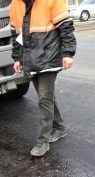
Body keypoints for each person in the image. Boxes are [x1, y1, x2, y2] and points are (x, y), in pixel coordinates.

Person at [10, 0, 77, 157]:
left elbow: (66, 28)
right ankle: (59, 127)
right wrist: (17, 58)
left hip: (50, 56)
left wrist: (68, 53)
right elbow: (17, 36)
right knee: (45, 96)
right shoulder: (15, 4)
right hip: (31, 59)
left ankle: (42, 141)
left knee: (44, 99)